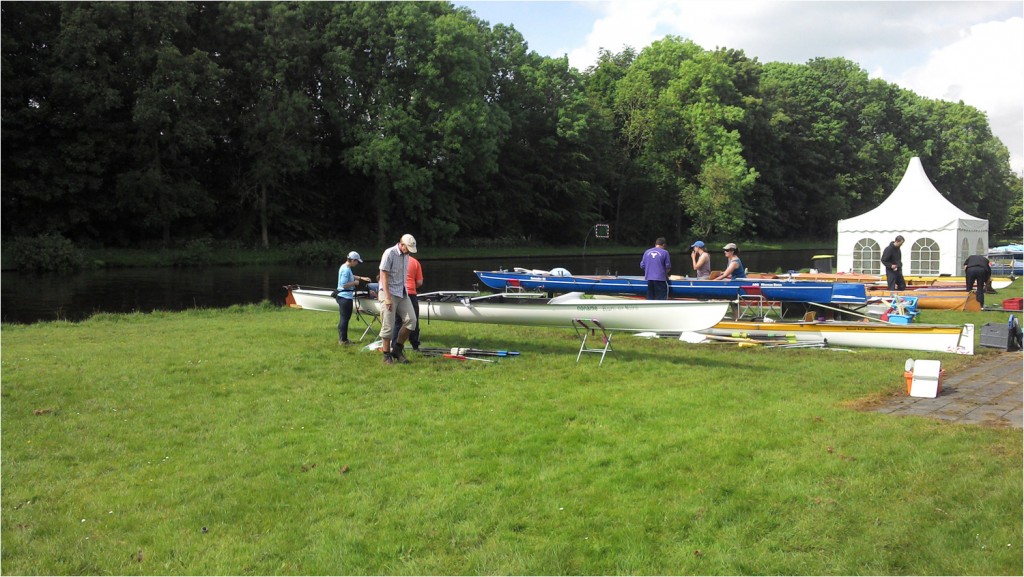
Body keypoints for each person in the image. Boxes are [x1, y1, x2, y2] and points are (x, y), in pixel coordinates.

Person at [378, 234, 419, 364]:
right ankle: (386, 356)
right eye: (408, 248)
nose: (409, 252)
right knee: (388, 326)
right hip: (388, 293)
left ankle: (397, 349)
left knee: (411, 320)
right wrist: (388, 298)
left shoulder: (406, 255)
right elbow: (383, 276)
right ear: (401, 244)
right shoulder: (389, 253)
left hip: (402, 292)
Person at [335, 251, 371, 345]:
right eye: (357, 261)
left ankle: (343, 339)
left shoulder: (345, 267)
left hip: (343, 296)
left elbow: (351, 276)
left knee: (344, 318)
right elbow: (343, 285)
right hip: (345, 297)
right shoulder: (346, 269)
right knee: (344, 319)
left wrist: (361, 278)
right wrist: (354, 283)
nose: (357, 263)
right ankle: (343, 340)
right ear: (353, 260)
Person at [391, 254, 423, 352]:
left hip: (398, 292)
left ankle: (395, 345)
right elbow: (419, 282)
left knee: (398, 321)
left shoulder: (395, 261)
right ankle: (415, 345)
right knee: (414, 321)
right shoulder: (415, 262)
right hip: (411, 293)